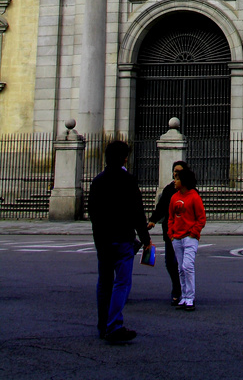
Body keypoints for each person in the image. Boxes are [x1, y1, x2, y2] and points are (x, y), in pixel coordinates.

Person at [88, 139, 151, 344]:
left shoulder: (97, 181)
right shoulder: (129, 181)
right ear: (125, 158)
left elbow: (94, 214)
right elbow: (137, 213)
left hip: (104, 242)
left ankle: (103, 325)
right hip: (123, 240)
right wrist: (145, 238)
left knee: (104, 284)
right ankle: (114, 326)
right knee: (121, 283)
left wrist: (98, 242)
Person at [147, 161, 187, 305]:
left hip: (186, 232)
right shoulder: (169, 189)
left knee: (184, 264)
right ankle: (177, 287)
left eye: (180, 171)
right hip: (170, 232)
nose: (176, 174)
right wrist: (152, 220)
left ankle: (184, 291)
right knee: (170, 262)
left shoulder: (190, 190)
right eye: (175, 171)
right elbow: (161, 206)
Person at [167, 165, 206, 310]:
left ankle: (190, 297)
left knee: (187, 266)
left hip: (189, 237)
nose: (174, 182)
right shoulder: (174, 198)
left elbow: (201, 218)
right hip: (177, 237)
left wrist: (193, 233)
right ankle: (184, 296)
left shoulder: (194, 197)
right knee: (181, 269)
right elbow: (171, 217)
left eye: (176, 179)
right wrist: (171, 234)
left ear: (183, 181)